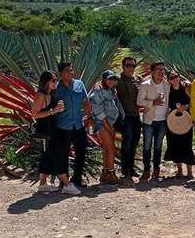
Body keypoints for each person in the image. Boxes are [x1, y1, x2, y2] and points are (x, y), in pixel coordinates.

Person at [54, 62, 94, 195]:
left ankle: (77, 178)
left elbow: (85, 101)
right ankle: (64, 181)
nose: (71, 73)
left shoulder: (79, 84)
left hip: (78, 125)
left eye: (71, 70)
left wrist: (88, 116)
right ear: (60, 73)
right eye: (67, 71)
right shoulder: (56, 88)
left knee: (81, 151)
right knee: (63, 154)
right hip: (63, 126)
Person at [31, 71, 65, 192]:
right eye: (53, 81)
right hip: (44, 129)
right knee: (47, 154)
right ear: (46, 82)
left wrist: (59, 108)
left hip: (52, 128)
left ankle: (43, 183)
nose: (56, 83)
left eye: (57, 80)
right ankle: (63, 182)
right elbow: (35, 115)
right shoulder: (41, 95)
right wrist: (53, 111)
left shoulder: (52, 94)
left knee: (47, 155)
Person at [89, 70, 125, 185]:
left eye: (114, 79)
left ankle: (105, 173)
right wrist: (108, 126)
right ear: (104, 79)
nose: (112, 81)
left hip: (110, 123)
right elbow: (97, 109)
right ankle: (111, 173)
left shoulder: (110, 91)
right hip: (102, 123)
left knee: (106, 148)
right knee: (110, 148)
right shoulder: (98, 90)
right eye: (109, 79)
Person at [137, 61, 170, 180]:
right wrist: (153, 103)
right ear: (152, 71)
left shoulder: (167, 85)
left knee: (158, 147)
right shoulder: (145, 84)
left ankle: (156, 170)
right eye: (158, 69)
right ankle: (146, 170)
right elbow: (139, 101)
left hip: (162, 121)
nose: (161, 72)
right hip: (149, 121)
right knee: (147, 146)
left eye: (163, 70)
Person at [164, 71, 195, 179]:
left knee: (187, 145)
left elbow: (193, 101)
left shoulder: (186, 87)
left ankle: (190, 172)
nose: (175, 79)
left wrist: (184, 107)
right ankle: (180, 170)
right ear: (169, 80)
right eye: (172, 78)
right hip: (173, 121)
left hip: (186, 121)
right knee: (174, 144)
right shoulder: (168, 90)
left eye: (176, 76)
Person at [115, 56, 142, 183]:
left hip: (136, 116)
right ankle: (125, 169)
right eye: (128, 65)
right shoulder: (118, 80)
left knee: (134, 142)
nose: (131, 68)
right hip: (124, 117)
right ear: (123, 66)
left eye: (133, 66)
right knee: (127, 142)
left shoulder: (137, 79)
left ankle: (131, 168)